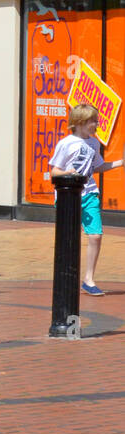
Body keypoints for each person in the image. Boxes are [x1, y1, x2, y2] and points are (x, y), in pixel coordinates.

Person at [50, 103, 125, 295]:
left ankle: (89, 279)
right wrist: (67, 172)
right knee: (68, 238)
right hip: (68, 196)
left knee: (96, 235)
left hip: (89, 192)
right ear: (80, 122)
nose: (97, 124)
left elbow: (98, 167)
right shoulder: (66, 143)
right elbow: (54, 170)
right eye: (94, 121)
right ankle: (66, 275)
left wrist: (120, 163)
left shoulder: (94, 143)